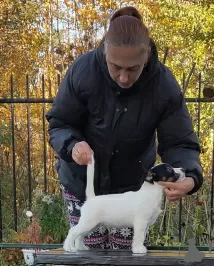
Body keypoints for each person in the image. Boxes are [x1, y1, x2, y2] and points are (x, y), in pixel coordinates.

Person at [46, 6, 203, 250]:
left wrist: (192, 177)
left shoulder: (164, 85)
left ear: (147, 55)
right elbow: (60, 123)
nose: (123, 78)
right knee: (85, 254)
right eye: (115, 66)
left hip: (133, 187)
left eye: (133, 69)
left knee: (130, 257)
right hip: (80, 183)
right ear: (105, 51)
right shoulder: (83, 71)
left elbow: (179, 141)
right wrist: (72, 145)